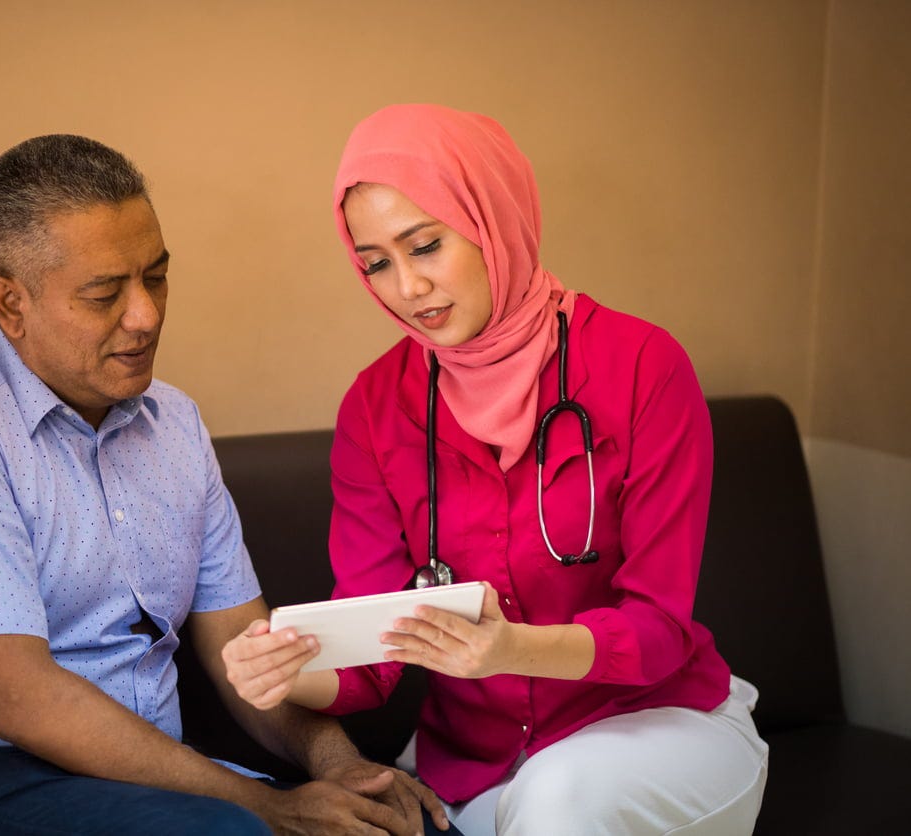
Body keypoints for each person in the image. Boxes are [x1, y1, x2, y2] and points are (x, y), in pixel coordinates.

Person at [0, 133, 454, 836]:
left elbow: (242, 641)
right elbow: (20, 700)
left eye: (155, 276)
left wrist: (338, 765)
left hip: (136, 784)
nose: (146, 314)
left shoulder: (173, 423)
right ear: (11, 304)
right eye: (104, 292)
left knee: (405, 827)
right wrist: (270, 807)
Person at [222, 104, 769, 835]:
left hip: (654, 729)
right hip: (473, 767)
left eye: (426, 246)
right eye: (377, 262)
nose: (407, 289)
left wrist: (512, 649)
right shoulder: (377, 408)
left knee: (560, 797)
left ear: (492, 219)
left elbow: (659, 629)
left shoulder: (642, 367)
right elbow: (373, 661)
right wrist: (287, 674)